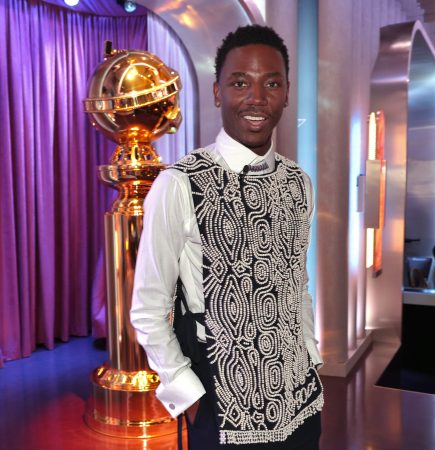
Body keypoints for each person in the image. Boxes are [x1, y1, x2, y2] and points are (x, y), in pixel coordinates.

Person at [130, 24, 324, 450]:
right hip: (220, 404)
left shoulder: (299, 183)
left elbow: (297, 284)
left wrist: (311, 355)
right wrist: (187, 393)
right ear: (218, 92)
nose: (257, 98)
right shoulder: (180, 184)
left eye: (271, 83)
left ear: (287, 92)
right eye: (240, 83)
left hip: (301, 400)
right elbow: (147, 308)